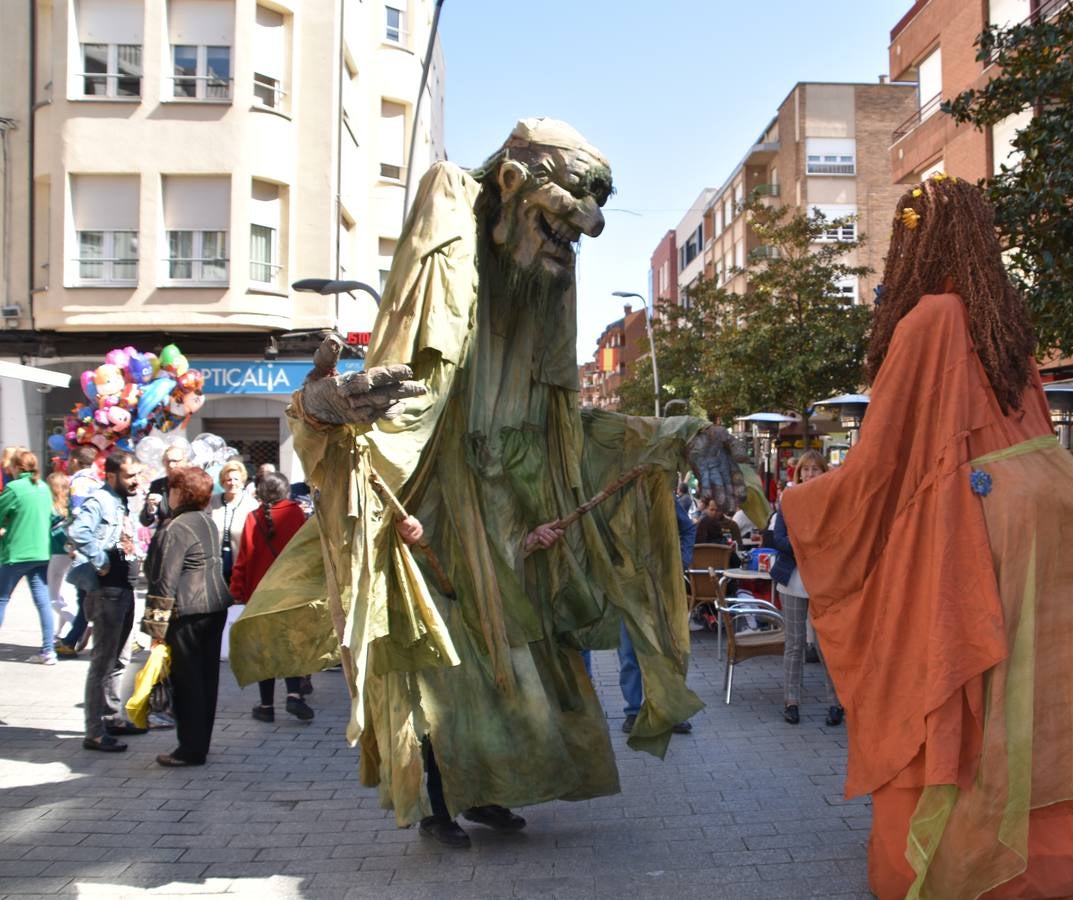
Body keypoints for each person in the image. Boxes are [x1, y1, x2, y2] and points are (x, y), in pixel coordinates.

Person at [229, 119, 762, 846]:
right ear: (511, 185)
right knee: (441, 676)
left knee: (511, 675)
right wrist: (322, 412)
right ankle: (439, 804)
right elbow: (397, 403)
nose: (585, 229)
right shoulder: (454, 222)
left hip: (509, 529)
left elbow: (571, 431)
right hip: (437, 526)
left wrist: (685, 433)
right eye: (568, 211)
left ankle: (490, 789)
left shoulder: (540, 295)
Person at [780, 175, 1073, 898]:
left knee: (961, 691)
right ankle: (1068, 865)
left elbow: (881, 460)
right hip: (1068, 504)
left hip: (996, 516)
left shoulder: (930, 318)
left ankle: (974, 864)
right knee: (1048, 698)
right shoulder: (1003, 323)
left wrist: (806, 504)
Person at [142, 466, 232, 766]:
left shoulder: (175, 527)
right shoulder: (207, 522)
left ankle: (190, 749)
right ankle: (199, 743)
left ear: (179, 492)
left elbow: (164, 580)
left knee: (188, 682)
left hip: (188, 610)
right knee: (206, 679)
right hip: (214, 607)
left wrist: (156, 628)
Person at [69, 450, 147, 752]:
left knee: (121, 658)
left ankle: (112, 717)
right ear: (111, 475)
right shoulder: (99, 500)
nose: (135, 481)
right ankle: (94, 731)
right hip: (107, 591)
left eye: (137, 475)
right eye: (129, 476)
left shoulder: (121, 501)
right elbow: (78, 531)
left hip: (124, 588)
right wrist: (101, 559)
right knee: (102, 662)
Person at [765, 450, 840, 727]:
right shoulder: (789, 499)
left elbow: (836, 538)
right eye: (805, 470)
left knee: (825, 645)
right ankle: (791, 701)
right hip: (793, 579)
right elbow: (777, 538)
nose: (809, 474)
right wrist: (805, 547)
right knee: (794, 644)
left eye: (815, 469)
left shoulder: (831, 501)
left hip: (822, 581)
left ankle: (836, 703)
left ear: (824, 473)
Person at [230, 473, 312, 722]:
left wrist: (237, 591)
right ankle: (294, 695)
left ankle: (266, 706)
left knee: (264, 651)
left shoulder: (253, 517)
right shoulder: (296, 513)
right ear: (285, 491)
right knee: (290, 644)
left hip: (259, 594)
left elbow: (243, 558)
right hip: (290, 592)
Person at [618, 496, 696, 736]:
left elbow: (688, 529)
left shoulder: (660, 494)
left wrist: (679, 562)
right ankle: (633, 712)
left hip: (662, 586)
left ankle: (667, 710)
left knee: (667, 650)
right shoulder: (613, 498)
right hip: (627, 587)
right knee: (629, 652)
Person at [0, 449, 56, 664]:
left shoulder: (14, 488)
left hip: (16, 553)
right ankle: (48, 651)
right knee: (43, 602)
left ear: (17, 467)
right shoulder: (43, 487)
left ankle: (48, 650)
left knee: (2, 599)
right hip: (41, 552)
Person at [56, 446, 103, 655]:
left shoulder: (78, 482)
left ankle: (72, 639)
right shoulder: (96, 480)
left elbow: (77, 514)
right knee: (88, 593)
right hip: (96, 542)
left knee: (84, 594)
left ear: (75, 460)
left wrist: (72, 542)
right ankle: (72, 638)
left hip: (84, 544)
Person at [209, 460, 257, 586]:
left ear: (242, 481)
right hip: (216, 558)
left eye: (236, 479)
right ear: (222, 482)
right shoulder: (212, 502)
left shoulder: (251, 504)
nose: (232, 483)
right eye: (228, 480)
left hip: (241, 560)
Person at [46, 472, 78, 642]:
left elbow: (50, 530)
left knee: (54, 598)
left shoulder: (50, 507)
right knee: (66, 593)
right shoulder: (70, 505)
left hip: (57, 552)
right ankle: (60, 634)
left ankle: (79, 625)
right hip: (70, 551)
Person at [140, 444, 188, 530]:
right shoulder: (157, 485)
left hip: (188, 536)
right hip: (165, 537)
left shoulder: (194, 483)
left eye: (175, 461)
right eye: (167, 461)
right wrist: (150, 509)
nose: (171, 465)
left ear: (185, 461)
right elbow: (145, 521)